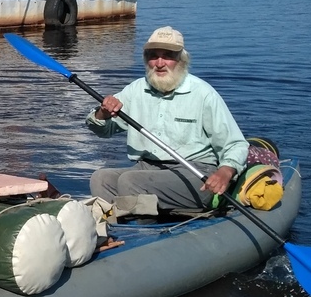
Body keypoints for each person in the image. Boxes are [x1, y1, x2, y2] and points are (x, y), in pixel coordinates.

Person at [86, 26, 248, 214]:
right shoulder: (135, 89)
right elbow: (103, 130)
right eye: (153, 55)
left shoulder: (203, 94)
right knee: (101, 178)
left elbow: (236, 144)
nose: (159, 63)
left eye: (168, 56)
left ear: (181, 60)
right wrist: (103, 113)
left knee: (131, 181)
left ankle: (143, 234)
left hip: (196, 173)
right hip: (147, 167)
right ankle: (111, 230)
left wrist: (226, 172)